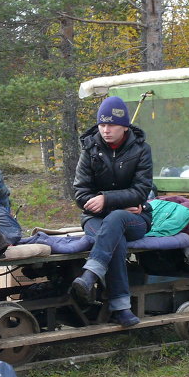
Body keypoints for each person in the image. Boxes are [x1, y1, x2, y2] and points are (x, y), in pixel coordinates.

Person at [69, 95, 153, 327]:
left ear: (124, 126)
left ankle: (90, 276)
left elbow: (141, 191)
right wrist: (108, 202)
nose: (105, 130)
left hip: (135, 218)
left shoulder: (141, 150)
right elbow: (80, 193)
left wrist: (107, 199)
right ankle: (120, 307)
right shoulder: (90, 149)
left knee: (116, 219)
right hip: (96, 219)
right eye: (102, 124)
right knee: (114, 239)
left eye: (111, 125)